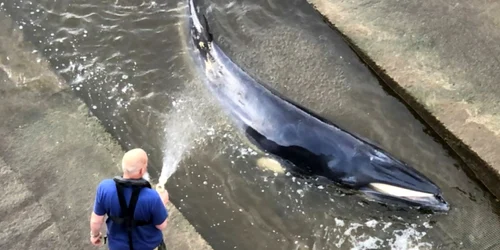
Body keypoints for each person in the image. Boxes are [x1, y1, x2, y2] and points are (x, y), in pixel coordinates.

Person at [89, 148, 170, 250]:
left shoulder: (105, 188)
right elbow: (161, 226)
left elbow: (96, 220)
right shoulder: (152, 197)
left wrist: (95, 235)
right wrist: (161, 202)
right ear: (141, 170)